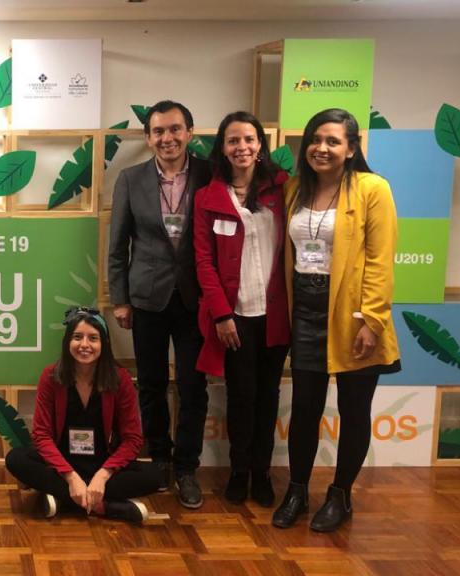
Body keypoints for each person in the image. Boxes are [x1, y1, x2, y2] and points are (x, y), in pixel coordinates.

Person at [272, 108, 401, 532]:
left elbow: (381, 260)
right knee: (304, 408)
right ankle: (297, 491)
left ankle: (340, 495)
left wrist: (373, 320)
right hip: (305, 311)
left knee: (354, 409)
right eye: (315, 139)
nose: (321, 148)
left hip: (353, 315)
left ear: (350, 149)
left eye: (333, 141)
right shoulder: (295, 189)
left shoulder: (372, 188)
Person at [108, 100, 212, 508]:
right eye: (158, 131)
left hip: (195, 298)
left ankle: (187, 467)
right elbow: (117, 245)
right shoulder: (130, 179)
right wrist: (120, 299)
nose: (167, 138)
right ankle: (160, 458)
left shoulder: (210, 174)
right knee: (150, 385)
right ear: (148, 137)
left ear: (189, 132)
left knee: (192, 386)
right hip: (147, 298)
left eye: (175, 129)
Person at [193, 111, 290, 507]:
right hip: (234, 317)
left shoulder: (283, 189)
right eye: (233, 140)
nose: (242, 147)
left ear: (260, 145)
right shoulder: (208, 197)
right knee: (240, 397)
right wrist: (221, 314)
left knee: (268, 397)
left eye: (249, 139)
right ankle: (238, 471)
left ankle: (261, 473)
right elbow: (203, 261)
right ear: (222, 147)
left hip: (276, 315)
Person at [5, 307, 161, 523]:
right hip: (62, 464)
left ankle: (64, 500)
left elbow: (132, 439)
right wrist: (70, 477)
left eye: (93, 338)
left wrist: (103, 476)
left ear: (104, 344)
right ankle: (104, 506)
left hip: (102, 463)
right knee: (16, 459)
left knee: (155, 475)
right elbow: (41, 435)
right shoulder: (50, 376)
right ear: (67, 342)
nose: (84, 345)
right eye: (77, 337)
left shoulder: (120, 379)